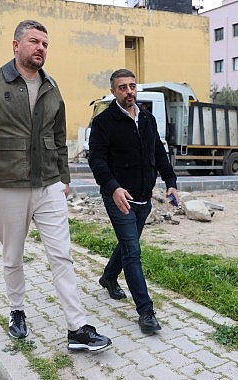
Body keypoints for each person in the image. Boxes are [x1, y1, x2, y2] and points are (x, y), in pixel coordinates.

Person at [0, 19, 111, 352]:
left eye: (45, 44)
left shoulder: (51, 86)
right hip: (8, 185)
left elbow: (59, 138)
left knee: (62, 256)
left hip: (48, 185)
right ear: (16, 46)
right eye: (34, 42)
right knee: (13, 255)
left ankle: (77, 328)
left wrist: (64, 178)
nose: (40, 49)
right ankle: (17, 311)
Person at [88, 69, 180, 334]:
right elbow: (97, 160)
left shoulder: (147, 119)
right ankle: (146, 312)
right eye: (122, 87)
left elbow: (159, 153)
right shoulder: (104, 122)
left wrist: (170, 183)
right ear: (114, 91)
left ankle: (108, 278)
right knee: (133, 252)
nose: (129, 91)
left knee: (129, 245)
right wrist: (114, 188)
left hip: (143, 196)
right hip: (119, 198)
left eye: (132, 86)